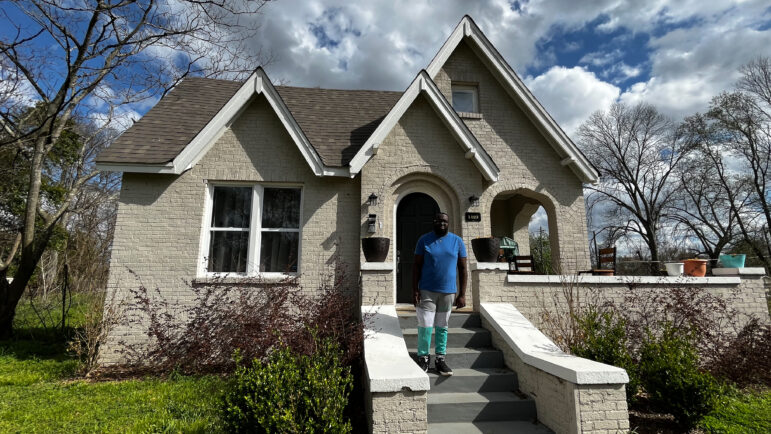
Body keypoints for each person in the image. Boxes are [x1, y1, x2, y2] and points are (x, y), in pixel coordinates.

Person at [412, 212, 467, 376]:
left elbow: (463, 269)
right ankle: (423, 357)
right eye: (438, 220)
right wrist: (414, 290)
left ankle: (440, 359)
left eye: (444, 221)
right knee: (425, 325)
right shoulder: (424, 240)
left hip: (448, 292)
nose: (441, 223)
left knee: (442, 326)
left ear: (448, 223)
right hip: (427, 290)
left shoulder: (457, 241)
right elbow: (416, 266)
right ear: (434, 222)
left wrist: (462, 293)